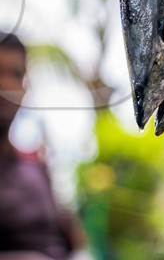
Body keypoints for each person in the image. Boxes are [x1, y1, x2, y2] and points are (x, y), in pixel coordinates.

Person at [0, 32, 86, 260]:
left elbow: (73, 241)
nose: (6, 84)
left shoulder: (36, 165)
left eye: (15, 75)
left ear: (24, 87)